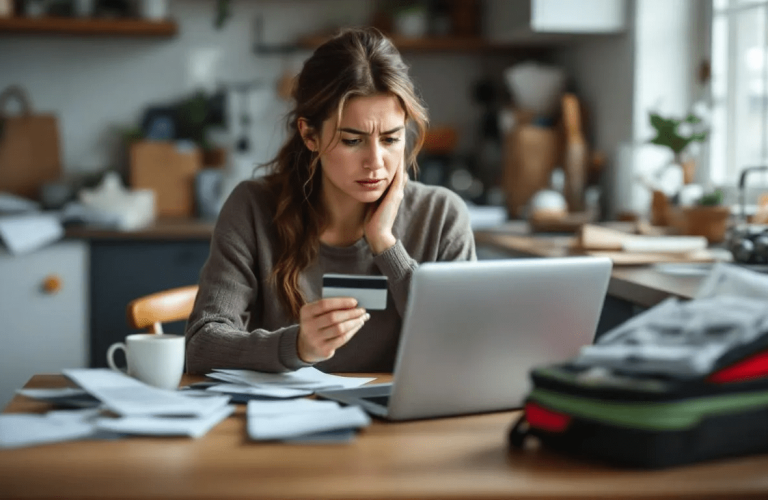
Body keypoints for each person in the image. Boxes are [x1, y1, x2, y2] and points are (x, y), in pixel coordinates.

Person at [185, 27, 476, 375]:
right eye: (353, 141)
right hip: (285, 422)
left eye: (390, 138)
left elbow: (465, 345)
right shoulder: (252, 207)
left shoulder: (442, 216)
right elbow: (201, 345)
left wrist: (386, 245)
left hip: (402, 426)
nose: (376, 161)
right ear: (309, 134)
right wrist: (296, 346)